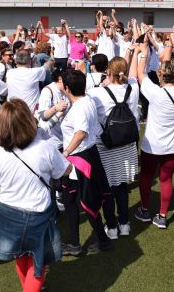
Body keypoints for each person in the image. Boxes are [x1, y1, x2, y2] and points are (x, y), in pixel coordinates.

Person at [0, 99, 71, 291]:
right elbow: (63, 171)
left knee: (19, 254)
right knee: (39, 264)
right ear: (28, 122)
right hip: (39, 214)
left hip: (9, 213)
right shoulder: (45, 147)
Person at [134, 32, 174, 229]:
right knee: (166, 179)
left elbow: (140, 75)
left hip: (152, 144)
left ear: (160, 75)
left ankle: (145, 209)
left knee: (147, 176)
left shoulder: (156, 93)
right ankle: (163, 215)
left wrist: (142, 53)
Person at [60, 69, 113, 255]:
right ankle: (76, 243)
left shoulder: (81, 106)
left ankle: (102, 240)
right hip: (87, 156)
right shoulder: (87, 100)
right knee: (71, 199)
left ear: (67, 88)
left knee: (86, 201)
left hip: (80, 160)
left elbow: (81, 132)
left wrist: (66, 152)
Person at [88, 55, 139, 238]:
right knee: (122, 186)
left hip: (106, 146)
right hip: (127, 145)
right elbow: (132, 75)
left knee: (107, 189)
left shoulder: (96, 93)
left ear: (108, 72)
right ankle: (124, 224)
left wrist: (104, 84)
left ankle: (111, 227)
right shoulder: (133, 89)